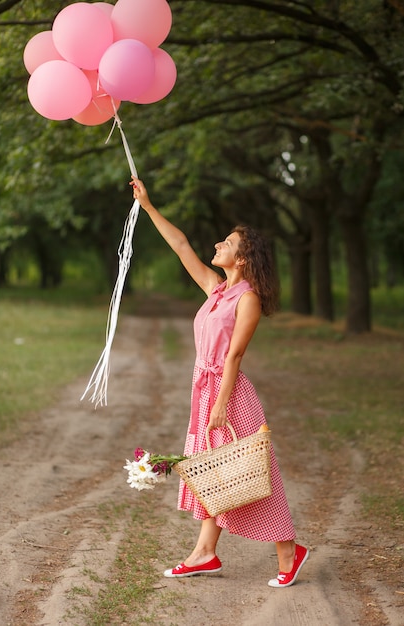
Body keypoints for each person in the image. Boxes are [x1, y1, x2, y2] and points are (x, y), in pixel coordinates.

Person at [130, 176, 309, 588]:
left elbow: (235, 356)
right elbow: (180, 246)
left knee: (249, 472)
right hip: (206, 389)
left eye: (226, 243)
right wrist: (148, 206)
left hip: (229, 395)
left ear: (242, 259)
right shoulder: (216, 290)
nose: (217, 246)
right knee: (214, 472)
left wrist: (221, 403)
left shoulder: (247, 298)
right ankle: (205, 553)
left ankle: (287, 551)